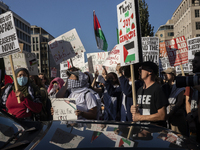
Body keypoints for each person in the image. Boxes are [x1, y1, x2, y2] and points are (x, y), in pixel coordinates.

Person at [131, 61, 169, 127]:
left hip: (155, 132)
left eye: (141, 69)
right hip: (142, 130)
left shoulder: (158, 89)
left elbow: (162, 115)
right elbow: (138, 110)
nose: (139, 72)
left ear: (150, 72)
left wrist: (140, 117)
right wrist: (133, 109)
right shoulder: (140, 90)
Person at [162, 68, 188, 136]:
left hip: (177, 115)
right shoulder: (164, 87)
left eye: (167, 73)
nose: (165, 75)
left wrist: (171, 112)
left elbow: (180, 101)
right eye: (165, 74)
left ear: (173, 75)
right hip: (167, 114)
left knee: (178, 135)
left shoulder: (179, 86)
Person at [184, 52, 200, 143]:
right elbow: (187, 100)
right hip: (192, 122)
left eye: (196, 62)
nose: (193, 64)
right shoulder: (190, 80)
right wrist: (190, 117)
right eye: (193, 61)